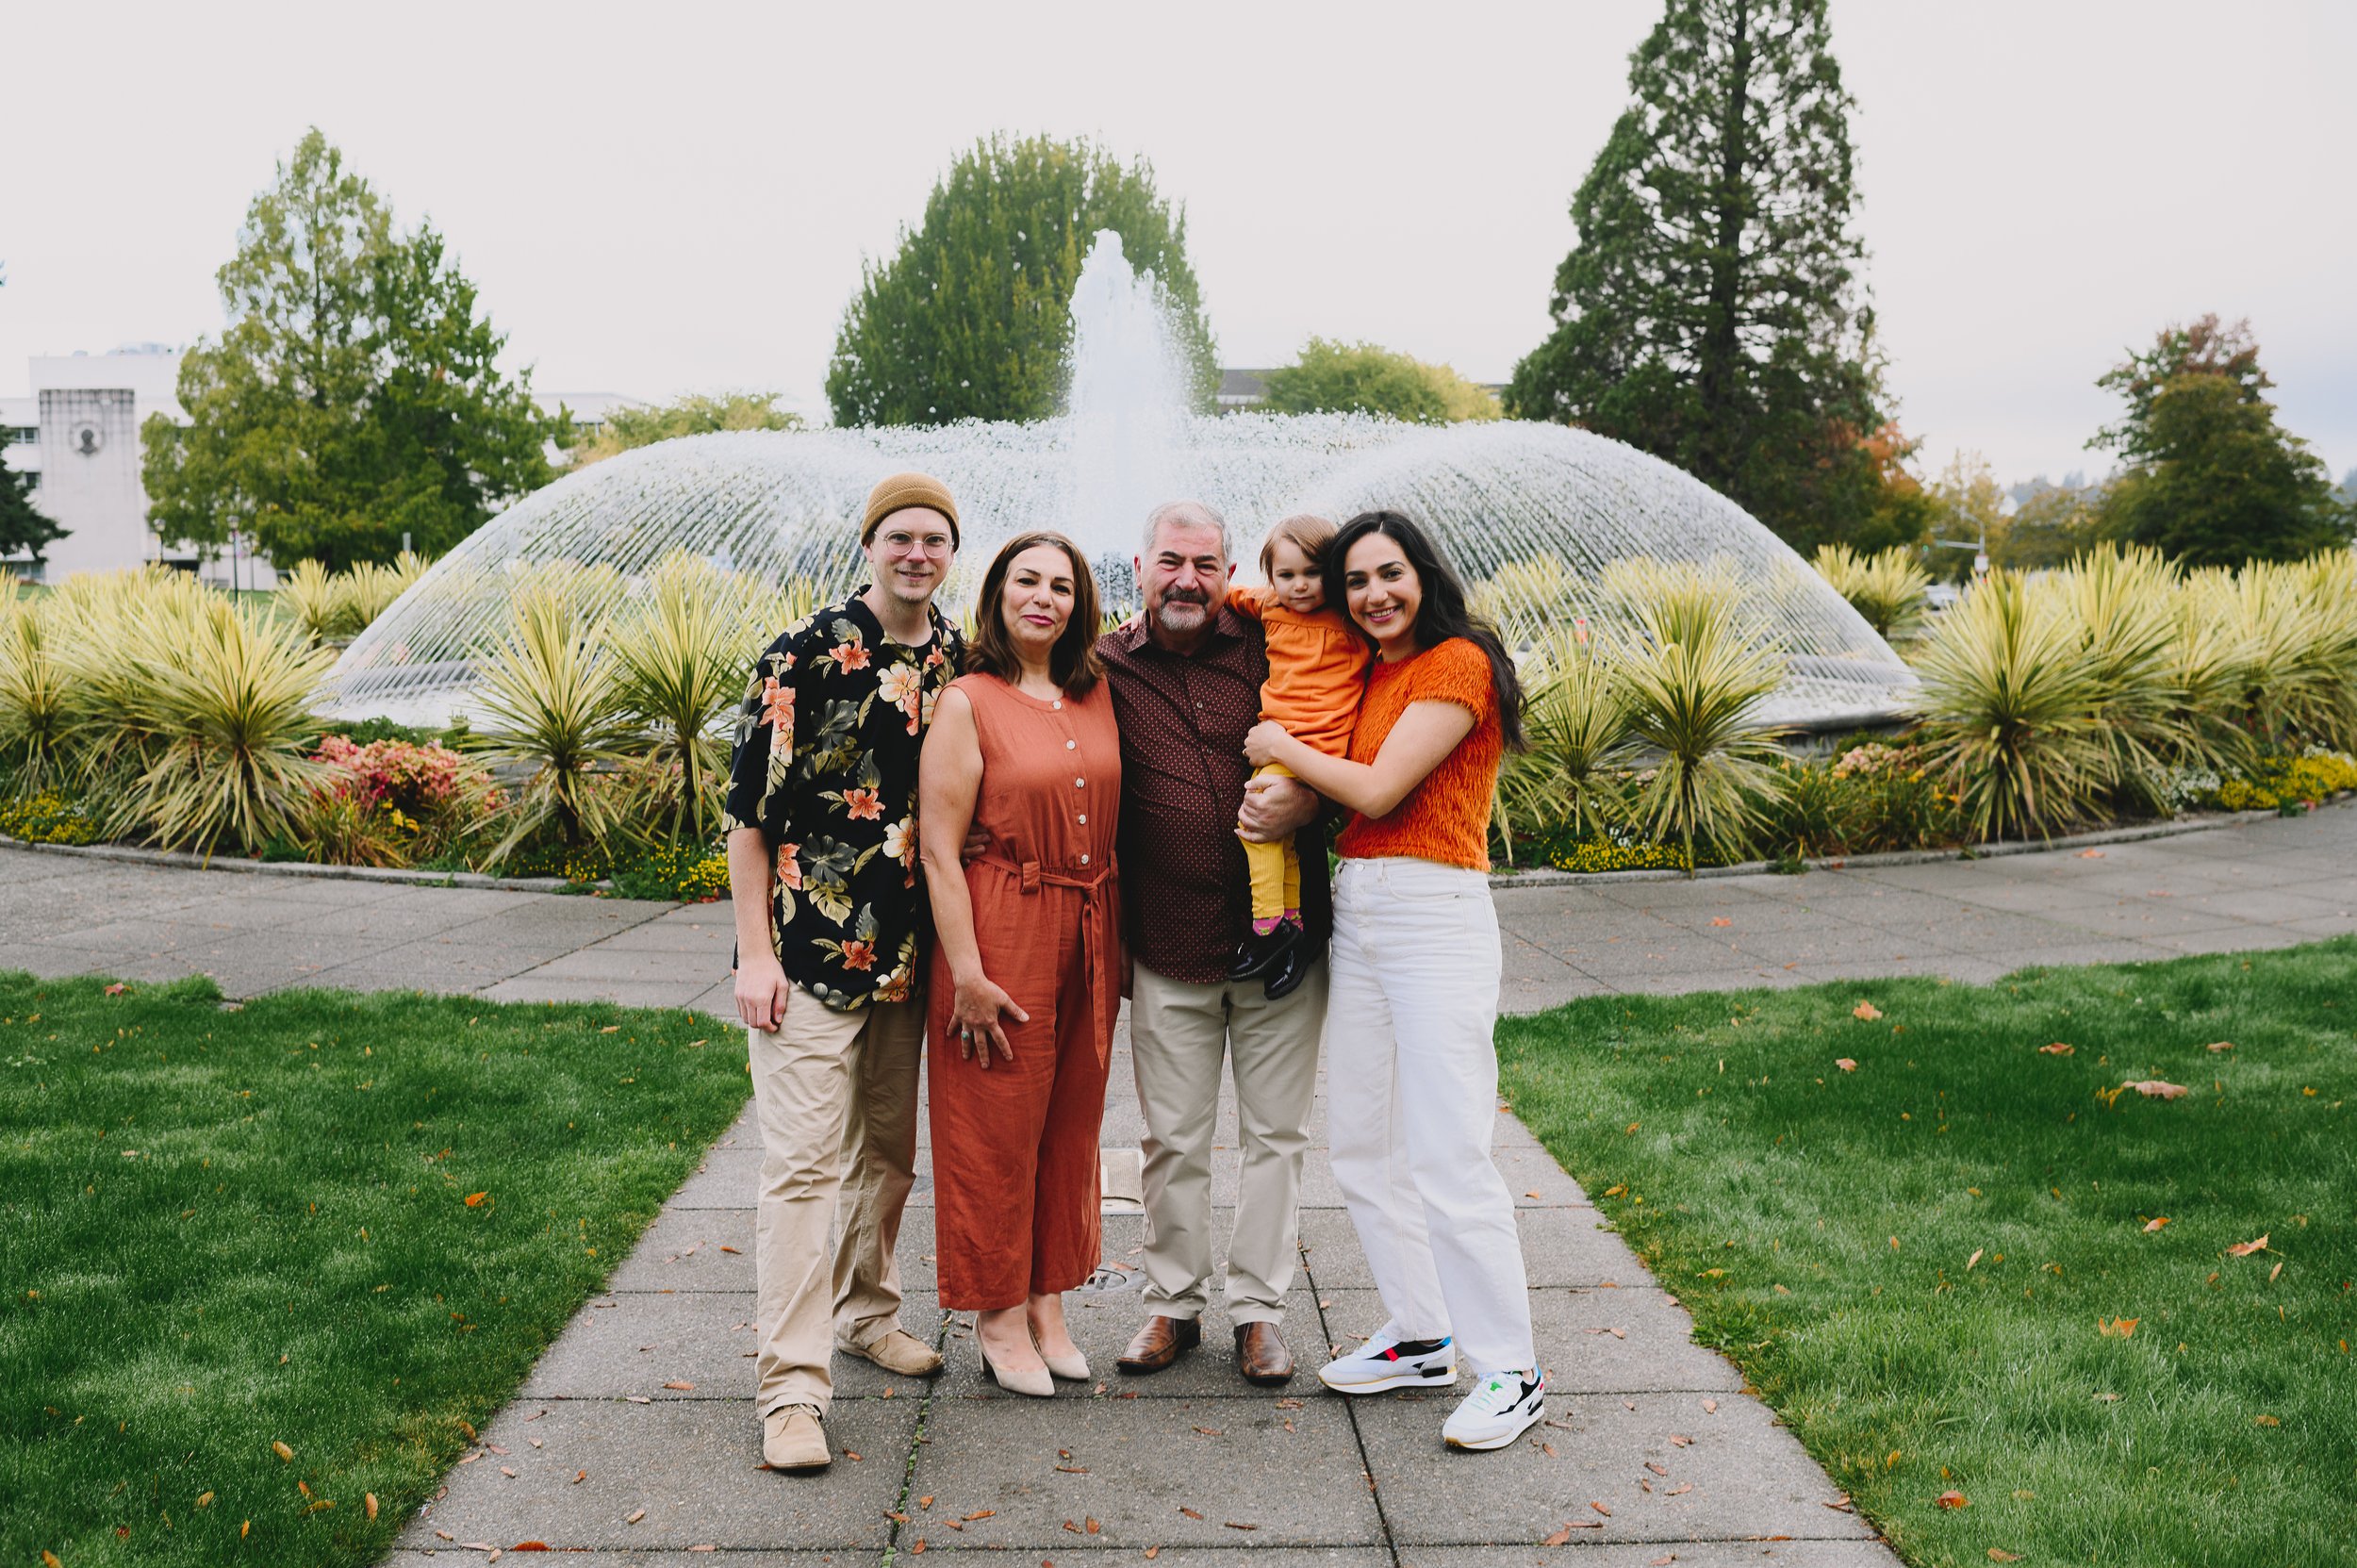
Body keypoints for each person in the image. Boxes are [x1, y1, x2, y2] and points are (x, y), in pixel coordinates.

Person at [1241, 508, 1542, 1452]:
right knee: (1361, 1143)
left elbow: (1375, 789)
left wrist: (1275, 749)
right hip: (1361, 907)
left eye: (1389, 573)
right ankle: (1421, 1334)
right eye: (1357, 581)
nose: (1373, 593)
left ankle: (1511, 1367)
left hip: (1434, 911)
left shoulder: (1459, 661)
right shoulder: (1370, 666)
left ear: (1424, 572)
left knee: (1449, 1152)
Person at [721, 471, 964, 1472]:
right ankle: (791, 1390)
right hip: (808, 954)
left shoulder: (958, 654)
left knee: (887, 1156)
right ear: (870, 545)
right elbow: (748, 814)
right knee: (802, 1171)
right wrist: (750, 952)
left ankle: (869, 1313)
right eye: (900, 536)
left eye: (935, 538)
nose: (917, 553)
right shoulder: (804, 652)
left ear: (952, 551)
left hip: (911, 958)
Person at [1098, 500, 1329, 1387]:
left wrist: (1310, 799)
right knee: (1173, 1137)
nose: (1187, 579)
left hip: (1282, 943)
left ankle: (1260, 1312)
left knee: (1277, 1134)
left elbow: (1347, 738)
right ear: (1140, 565)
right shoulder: (1106, 663)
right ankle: (1173, 1303)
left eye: (1205, 563)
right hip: (1170, 940)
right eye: (1171, 561)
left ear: (1232, 570)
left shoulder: (1277, 643)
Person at [916, 531, 1125, 1397]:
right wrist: (965, 970)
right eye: (1027, 581)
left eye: (1063, 586)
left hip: (1091, 926)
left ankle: (1048, 1299)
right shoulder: (967, 699)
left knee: (1072, 1124)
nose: (1045, 597)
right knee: (994, 1127)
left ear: (1081, 603)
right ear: (998, 593)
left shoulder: (1096, 689)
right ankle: (996, 1312)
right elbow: (936, 845)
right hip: (1002, 924)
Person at [1221, 512, 1364, 986]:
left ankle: (1267, 926)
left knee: (1256, 824)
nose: (1299, 586)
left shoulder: (1352, 619)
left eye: (1312, 573)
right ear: (1271, 577)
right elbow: (1224, 592)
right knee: (1285, 842)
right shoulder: (1269, 606)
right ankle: (1292, 925)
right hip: (1286, 750)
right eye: (1286, 575)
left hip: (1313, 750)